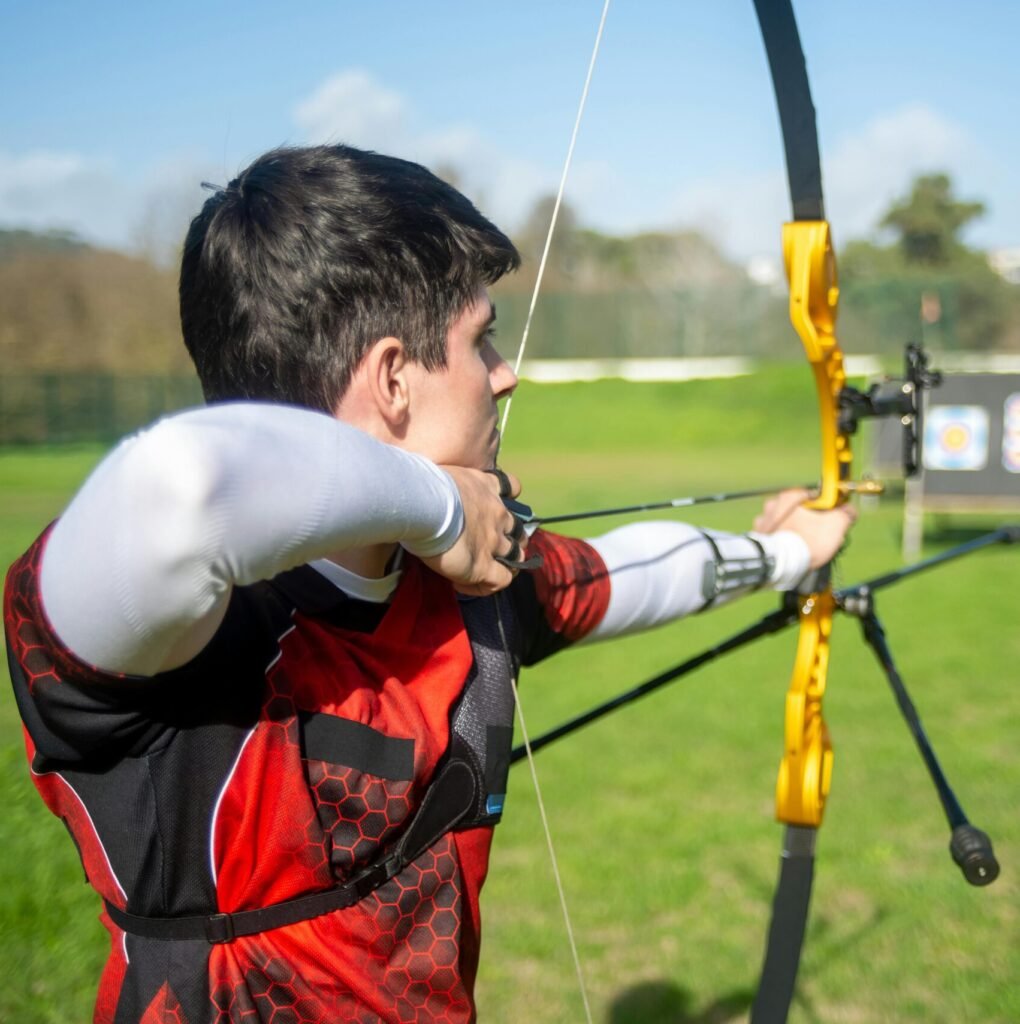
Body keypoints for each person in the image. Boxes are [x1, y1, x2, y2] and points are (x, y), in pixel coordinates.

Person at [3, 144, 855, 1024]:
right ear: (393, 379)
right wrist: (437, 504)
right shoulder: (175, 632)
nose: (506, 371)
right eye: (479, 338)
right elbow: (179, 489)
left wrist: (789, 554)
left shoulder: (471, 583)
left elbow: (635, 574)